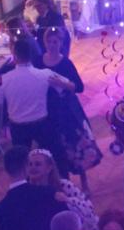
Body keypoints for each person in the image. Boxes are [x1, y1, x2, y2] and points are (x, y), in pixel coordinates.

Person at [0, 36, 75, 165]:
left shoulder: (4, 79)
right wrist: (60, 84)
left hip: (18, 128)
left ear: (14, 56)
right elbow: (72, 86)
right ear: (31, 55)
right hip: (42, 125)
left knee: (22, 163)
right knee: (49, 159)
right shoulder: (45, 74)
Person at [38, 26, 99, 175]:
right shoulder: (38, 61)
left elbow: (79, 87)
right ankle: (62, 179)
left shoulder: (66, 63)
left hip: (67, 109)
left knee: (76, 144)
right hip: (48, 109)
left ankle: (83, 179)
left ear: (61, 43)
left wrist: (63, 84)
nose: (52, 45)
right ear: (44, 42)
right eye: (49, 42)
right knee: (57, 147)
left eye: (55, 42)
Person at [25, 147, 97, 230]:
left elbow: (88, 211)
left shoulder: (64, 186)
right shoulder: (27, 192)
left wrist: (67, 200)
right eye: (30, 164)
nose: (32, 167)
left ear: (49, 168)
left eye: (37, 164)